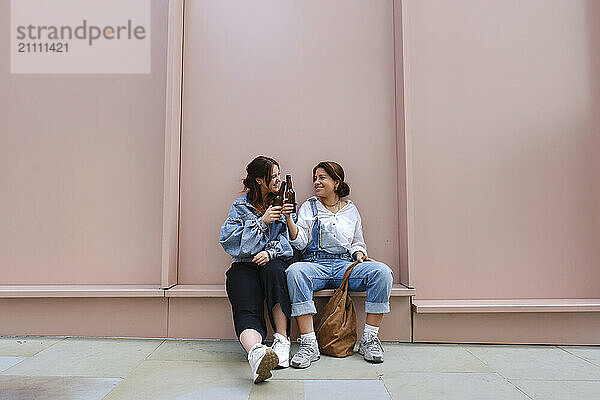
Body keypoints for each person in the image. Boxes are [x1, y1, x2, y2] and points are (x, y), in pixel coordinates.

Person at [283, 161, 393, 369]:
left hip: (346, 265)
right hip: (315, 265)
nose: (316, 182)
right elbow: (300, 242)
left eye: (322, 177)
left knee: (382, 272)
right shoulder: (309, 206)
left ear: (336, 182)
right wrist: (289, 219)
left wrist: (359, 253)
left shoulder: (351, 210)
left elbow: (357, 241)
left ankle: (369, 340)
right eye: (315, 178)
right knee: (295, 272)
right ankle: (309, 344)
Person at [219, 156, 293, 383]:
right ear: (260, 180)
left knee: (276, 272)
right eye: (274, 176)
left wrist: (270, 252)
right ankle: (257, 353)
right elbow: (228, 242)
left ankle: (281, 340)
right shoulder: (239, 207)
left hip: (272, 262)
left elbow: (293, 242)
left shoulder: (284, 202)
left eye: (280, 175)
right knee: (244, 300)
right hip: (244, 265)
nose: (279, 180)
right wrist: (261, 222)